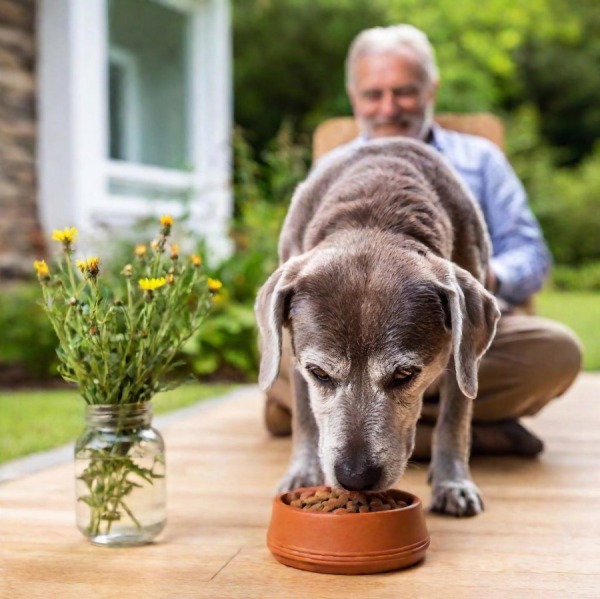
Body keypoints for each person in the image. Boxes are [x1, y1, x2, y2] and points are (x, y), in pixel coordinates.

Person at [264, 24, 582, 458]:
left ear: (431, 89)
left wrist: (479, 281)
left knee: (557, 353)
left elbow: (532, 253)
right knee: (280, 349)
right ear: (354, 96)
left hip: (460, 331)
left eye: (404, 92)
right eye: (373, 94)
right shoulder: (330, 171)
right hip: (352, 348)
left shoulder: (479, 160)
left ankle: (345, 418)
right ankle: (467, 435)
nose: (388, 108)